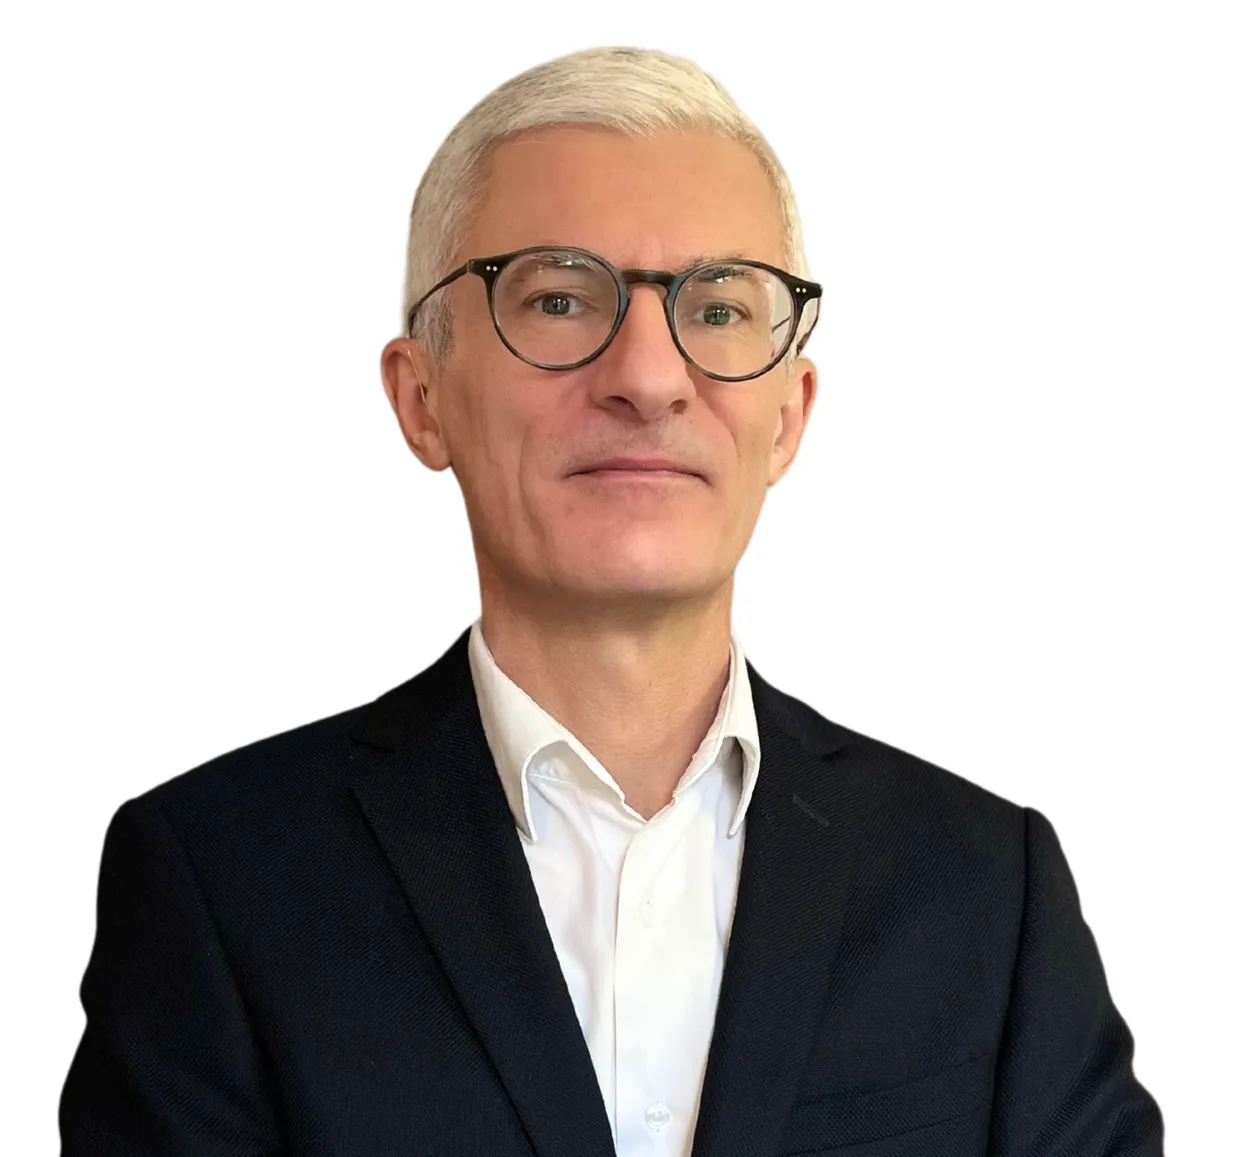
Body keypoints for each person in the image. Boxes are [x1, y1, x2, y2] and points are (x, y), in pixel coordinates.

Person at [59, 45, 1164, 1157]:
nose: (647, 375)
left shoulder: (986, 892)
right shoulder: (223, 882)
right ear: (422, 396)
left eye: (718, 308)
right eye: (557, 298)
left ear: (788, 416)